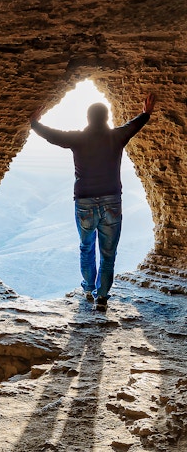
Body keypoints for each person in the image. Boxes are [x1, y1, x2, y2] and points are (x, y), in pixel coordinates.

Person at [30, 92, 156, 311]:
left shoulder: (78, 138)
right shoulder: (116, 136)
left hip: (85, 202)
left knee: (86, 247)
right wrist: (146, 113)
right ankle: (103, 297)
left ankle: (88, 289)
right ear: (107, 118)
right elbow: (133, 126)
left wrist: (35, 123)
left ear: (88, 119)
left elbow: (52, 135)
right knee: (108, 253)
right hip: (112, 201)